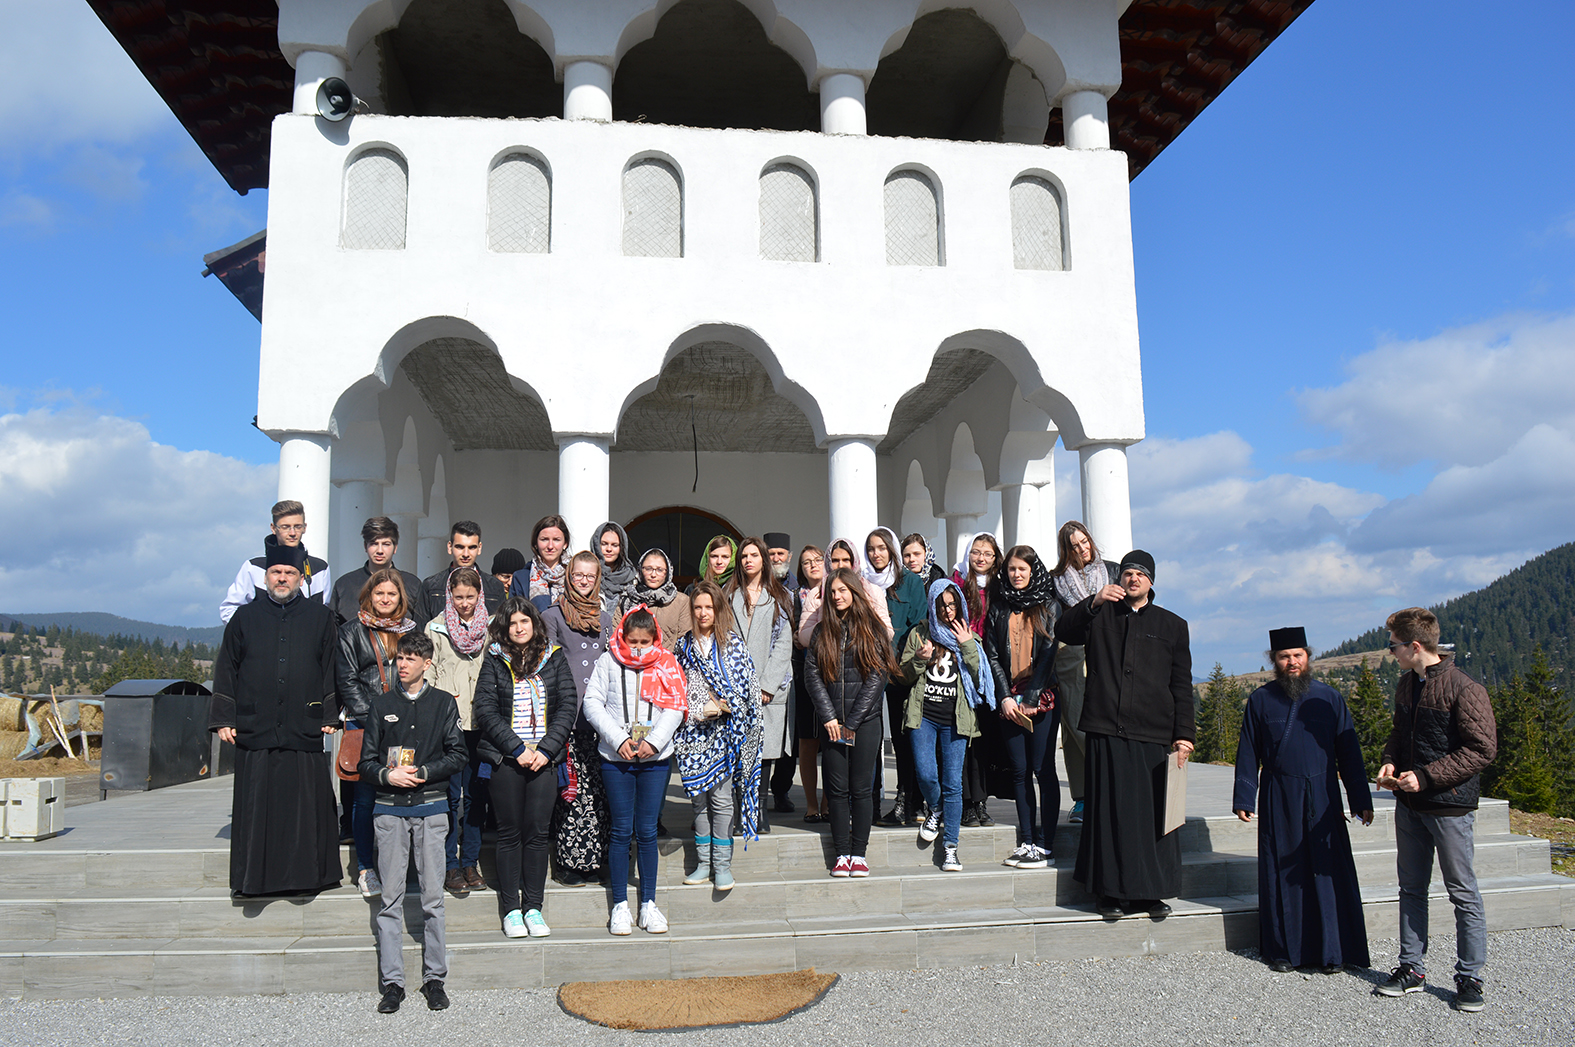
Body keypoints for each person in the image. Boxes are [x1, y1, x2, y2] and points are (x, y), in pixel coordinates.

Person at [1055, 549, 1194, 920]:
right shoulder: (1100, 615)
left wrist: (1184, 735)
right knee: (1109, 815)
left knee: (1154, 819)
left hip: (1153, 732)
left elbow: (1181, 684)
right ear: (1120, 579)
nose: (1133, 578)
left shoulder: (1173, 625)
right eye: (1128, 573)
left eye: (1140, 574)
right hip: (1106, 728)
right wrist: (1094, 600)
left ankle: (1152, 893)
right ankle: (1110, 894)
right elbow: (1063, 630)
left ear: (1151, 582)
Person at [1375, 607, 1496, 1012]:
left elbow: (1482, 749)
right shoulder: (1407, 685)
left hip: (1449, 808)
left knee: (1462, 892)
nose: (1390, 652)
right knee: (1411, 889)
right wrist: (1391, 760)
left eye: (1393, 646)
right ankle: (1411, 968)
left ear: (1414, 645)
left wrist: (1426, 776)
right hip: (1408, 804)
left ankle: (1470, 977)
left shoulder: (1465, 688)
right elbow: (1398, 731)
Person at [1233, 627, 1373, 974]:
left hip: (1323, 795)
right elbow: (1248, 750)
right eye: (1284, 656)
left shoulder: (1330, 698)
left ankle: (1333, 952)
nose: (1292, 661)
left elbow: (1349, 752)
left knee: (1327, 873)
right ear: (1274, 661)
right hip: (1279, 794)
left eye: (1297, 655)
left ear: (1308, 657)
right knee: (1281, 870)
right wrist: (1244, 796)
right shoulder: (1261, 700)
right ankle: (1283, 951)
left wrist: (1360, 798)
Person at [209, 541, 341, 896]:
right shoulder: (244, 618)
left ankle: (307, 878)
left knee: (305, 806)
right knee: (258, 807)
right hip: (257, 726)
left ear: (301, 578)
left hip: (304, 724)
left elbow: (332, 666)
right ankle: (254, 880)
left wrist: (330, 712)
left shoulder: (321, 618)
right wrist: (224, 717)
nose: (282, 578)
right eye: (276, 573)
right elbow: (226, 669)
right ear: (265, 577)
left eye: (289, 573)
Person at [356, 631, 465, 1014]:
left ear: (426, 663)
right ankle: (393, 984)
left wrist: (423, 770)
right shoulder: (381, 704)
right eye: (399, 658)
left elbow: (457, 755)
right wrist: (388, 777)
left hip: (432, 809)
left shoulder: (442, 704)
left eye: (409, 659)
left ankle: (435, 979)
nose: (402, 664)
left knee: (434, 898)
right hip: (389, 811)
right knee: (390, 900)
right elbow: (365, 762)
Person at [473, 598, 578, 940]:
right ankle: (511, 909)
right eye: (512, 623)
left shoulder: (554, 656)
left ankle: (533, 906)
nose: (519, 628)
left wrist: (546, 750)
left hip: (544, 761)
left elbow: (567, 705)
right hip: (507, 760)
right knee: (509, 833)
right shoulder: (494, 660)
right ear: (504, 628)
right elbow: (486, 709)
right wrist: (517, 749)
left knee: (536, 834)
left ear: (534, 624)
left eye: (525, 621)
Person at [581, 607, 686, 935]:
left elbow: (676, 705)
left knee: (647, 831)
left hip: (654, 759)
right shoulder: (608, 661)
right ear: (623, 637)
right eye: (633, 641)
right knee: (620, 830)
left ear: (655, 637)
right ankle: (620, 906)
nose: (638, 648)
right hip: (617, 758)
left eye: (644, 641)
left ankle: (649, 904)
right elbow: (592, 703)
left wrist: (654, 742)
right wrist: (618, 739)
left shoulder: (666, 663)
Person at [898, 579, 995, 872]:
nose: (947, 610)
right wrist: (918, 659)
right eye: (942, 604)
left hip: (956, 720)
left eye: (952, 604)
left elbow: (980, 679)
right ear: (933, 604)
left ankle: (950, 847)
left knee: (953, 783)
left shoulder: (968, 636)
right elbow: (902, 676)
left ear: (961, 605)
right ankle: (936, 808)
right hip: (923, 717)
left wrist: (966, 646)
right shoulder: (920, 633)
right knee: (926, 774)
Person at [805, 568, 896, 879]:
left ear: (855, 592)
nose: (837, 596)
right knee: (836, 789)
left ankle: (859, 853)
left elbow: (877, 677)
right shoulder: (821, 632)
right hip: (832, 723)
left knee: (860, 789)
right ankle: (841, 853)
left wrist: (853, 721)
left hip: (865, 723)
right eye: (832, 592)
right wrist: (829, 717)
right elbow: (812, 676)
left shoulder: (873, 629)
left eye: (842, 590)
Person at [673, 580, 762, 890]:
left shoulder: (733, 645)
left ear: (718, 609)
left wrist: (724, 704)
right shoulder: (683, 646)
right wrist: (697, 705)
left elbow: (747, 689)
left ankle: (722, 866)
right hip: (691, 733)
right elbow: (674, 686)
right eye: (697, 607)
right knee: (698, 801)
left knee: (722, 801)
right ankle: (703, 863)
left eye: (708, 607)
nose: (702, 613)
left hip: (725, 732)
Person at [337, 569, 420, 897]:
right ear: (368, 596)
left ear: (401, 598)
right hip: (367, 725)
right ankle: (365, 867)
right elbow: (347, 680)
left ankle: (398, 864)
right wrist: (374, 718)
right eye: (379, 594)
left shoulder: (411, 632)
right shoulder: (351, 632)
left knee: (401, 795)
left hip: (405, 724)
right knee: (366, 798)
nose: (385, 600)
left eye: (392, 594)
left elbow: (418, 673)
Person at [983, 545, 1061, 870]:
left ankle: (1046, 844)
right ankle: (1027, 840)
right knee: (1019, 770)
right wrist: (1003, 696)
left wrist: (1031, 698)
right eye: (1012, 569)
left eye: (1022, 570)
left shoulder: (1049, 605)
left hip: (1042, 698)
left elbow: (1048, 653)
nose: (1016, 575)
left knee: (1042, 769)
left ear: (1033, 571)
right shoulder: (998, 606)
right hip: (1009, 699)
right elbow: (992, 655)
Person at [541, 550, 615, 886]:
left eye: (589, 576)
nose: (583, 581)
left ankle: (598, 859)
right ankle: (569, 862)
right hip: (567, 717)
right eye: (577, 575)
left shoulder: (606, 616)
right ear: (568, 576)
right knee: (572, 791)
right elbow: (549, 668)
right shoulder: (552, 616)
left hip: (599, 717)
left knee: (599, 791)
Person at [424, 566, 492, 894]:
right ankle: (450, 864)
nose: (465, 603)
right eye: (459, 597)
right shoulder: (435, 628)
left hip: (482, 725)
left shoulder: (491, 629)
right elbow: (428, 675)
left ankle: (471, 861)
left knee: (477, 795)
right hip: (449, 728)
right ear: (449, 595)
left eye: (471, 596)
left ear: (480, 595)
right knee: (451, 798)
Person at [726, 536, 794, 831]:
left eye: (754, 555)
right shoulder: (729, 596)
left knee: (764, 750)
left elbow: (784, 643)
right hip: (736, 686)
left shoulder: (779, 595)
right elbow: (723, 639)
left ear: (764, 560)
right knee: (741, 749)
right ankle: (743, 811)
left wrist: (766, 685)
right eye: (744, 556)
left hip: (769, 689)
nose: (748, 560)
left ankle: (760, 811)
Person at [867, 527, 928, 829]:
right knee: (875, 737)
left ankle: (907, 801)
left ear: (891, 550)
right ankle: (880, 801)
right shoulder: (864, 584)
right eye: (871, 549)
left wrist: (900, 662)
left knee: (905, 738)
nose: (876, 554)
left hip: (902, 672)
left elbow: (917, 625)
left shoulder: (911, 582)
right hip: (872, 671)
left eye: (881, 548)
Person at [1049, 521, 1109, 824]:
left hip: (1110, 652)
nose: (1082, 549)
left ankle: (1109, 790)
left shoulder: (1111, 570)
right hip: (1072, 654)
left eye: (1084, 541)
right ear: (1066, 550)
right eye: (1074, 545)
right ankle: (1084, 797)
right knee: (1075, 726)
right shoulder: (1056, 580)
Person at [953, 532, 1003, 828]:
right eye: (976, 552)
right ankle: (964, 803)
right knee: (962, 735)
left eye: (987, 553)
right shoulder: (958, 581)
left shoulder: (999, 587)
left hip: (989, 671)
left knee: (983, 738)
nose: (981, 558)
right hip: (962, 666)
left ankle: (980, 803)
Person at [219, 499, 331, 622]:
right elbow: (229, 610)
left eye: (297, 527)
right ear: (273, 528)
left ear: (305, 528)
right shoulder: (254, 567)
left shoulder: (320, 568)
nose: (292, 533)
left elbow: (324, 615)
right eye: (285, 527)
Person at [330, 516, 423, 626]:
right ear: (365, 546)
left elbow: (419, 630)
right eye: (374, 543)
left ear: (395, 548)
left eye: (386, 544)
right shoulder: (345, 585)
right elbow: (333, 629)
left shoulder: (412, 584)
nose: (380, 550)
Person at [792, 545, 827, 822]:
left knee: (831, 740)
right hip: (805, 671)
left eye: (817, 560)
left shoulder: (836, 592)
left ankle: (828, 803)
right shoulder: (796, 597)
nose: (813, 565)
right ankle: (811, 805)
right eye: (806, 563)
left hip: (834, 675)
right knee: (808, 741)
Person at [416, 521, 507, 624]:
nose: (466, 554)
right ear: (450, 547)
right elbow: (420, 630)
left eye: (472, 547)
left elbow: (502, 628)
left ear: (479, 548)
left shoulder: (495, 587)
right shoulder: (431, 586)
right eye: (460, 547)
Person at [620, 548, 692, 650]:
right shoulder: (627, 598)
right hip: (631, 662)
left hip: (668, 663)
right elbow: (617, 635)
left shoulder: (681, 601)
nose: (653, 575)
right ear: (640, 570)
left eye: (659, 570)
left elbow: (685, 640)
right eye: (648, 569)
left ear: (668, 572)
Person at [510, 515, 571, 611]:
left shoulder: (575, 575)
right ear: (535, 543)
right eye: (544, 539)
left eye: (556, 540)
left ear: (565, 544)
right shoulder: (521, 578)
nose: (550, 546)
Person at [592, 521, 639, 612]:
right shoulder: (586, 576)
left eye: (614, 545)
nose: (609, 549)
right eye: (604, 544)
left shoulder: (632, 579)